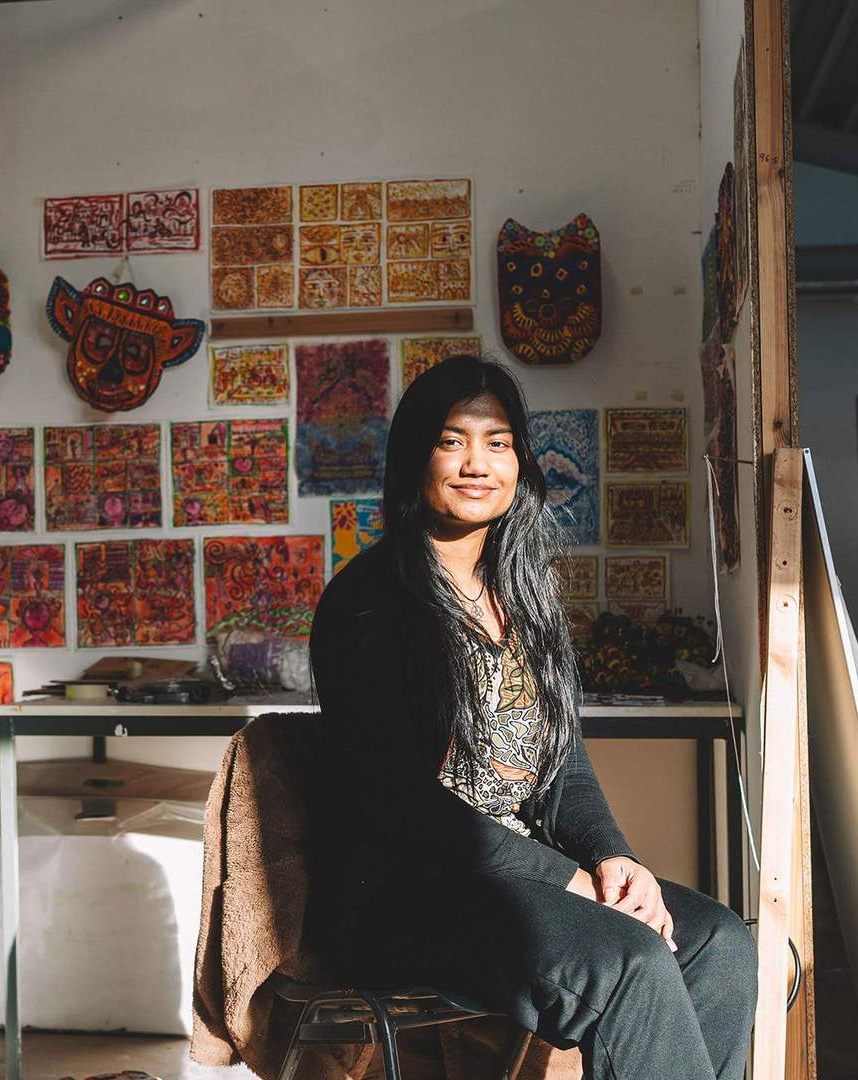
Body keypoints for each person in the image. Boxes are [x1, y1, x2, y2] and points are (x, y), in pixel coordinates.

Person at [304, 354, 758, 1079]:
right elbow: (403, 805)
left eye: (499, 441)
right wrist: (568, 880)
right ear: (415, 456)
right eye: (452, 440)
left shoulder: (524, 594)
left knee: (721, 943)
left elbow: (562, 760)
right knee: (630, 961)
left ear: (520, 460)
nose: (477, 463)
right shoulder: (368, 605)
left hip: (524, 879)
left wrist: (613, 858)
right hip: (410, 894)